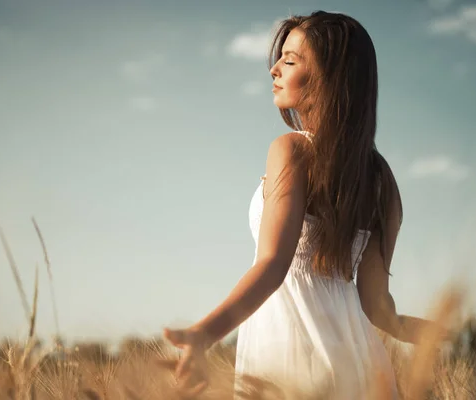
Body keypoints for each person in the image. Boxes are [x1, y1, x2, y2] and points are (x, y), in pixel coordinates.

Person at [158, 10, 449, 399]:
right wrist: (438, 331)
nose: (274, 68)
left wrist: (204, 334)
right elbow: (378, 307)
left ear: (331, 78)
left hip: (288, 348)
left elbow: (272, 265)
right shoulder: (381, 181)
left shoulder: (292, 149)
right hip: (358, 360)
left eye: (290, 60)